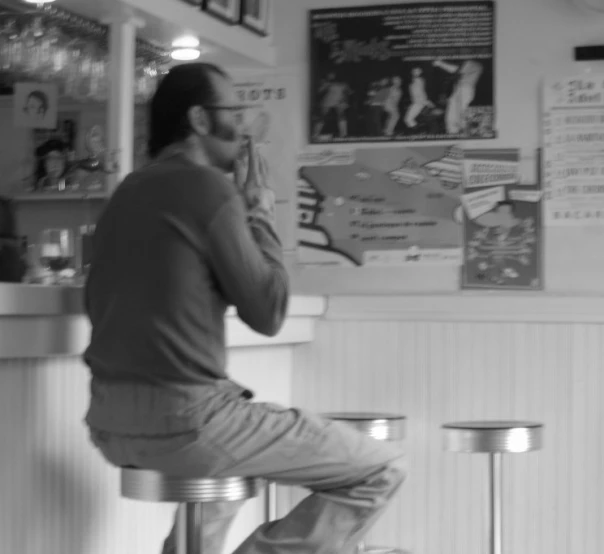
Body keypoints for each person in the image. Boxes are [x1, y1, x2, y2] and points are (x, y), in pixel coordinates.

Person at [83, 62, 407, 554]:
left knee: (223, 476)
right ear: (198, 119)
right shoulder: (208, 188)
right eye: (234, 111)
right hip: (186, 422)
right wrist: (258, 208)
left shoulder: (125, 192)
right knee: (382, 469)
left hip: (109, 425)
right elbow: (269, 312)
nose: (243, 125)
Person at [433, 59, 484, 134]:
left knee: (457, 115)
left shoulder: (473, 63)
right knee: (454, 114)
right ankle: (454, 132)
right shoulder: (476, 64)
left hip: (464, 89)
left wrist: (440, 63)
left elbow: (455, 70)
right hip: (462, 89)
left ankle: (458, 132)